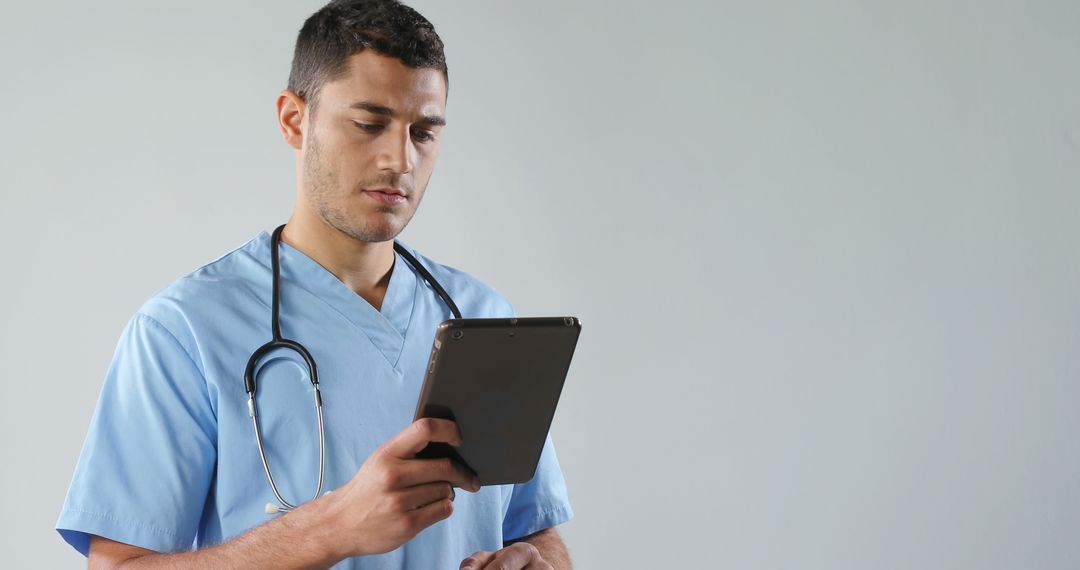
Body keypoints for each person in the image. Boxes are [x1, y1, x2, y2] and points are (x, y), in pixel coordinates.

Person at [55, 1, 574, 568]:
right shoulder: (183, 331)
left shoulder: (484, 319)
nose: (399, 159)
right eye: (370, 123)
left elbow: (539, 531)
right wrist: (332, 528)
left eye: (422, 132)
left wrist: (536, 560)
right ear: (294, 120)